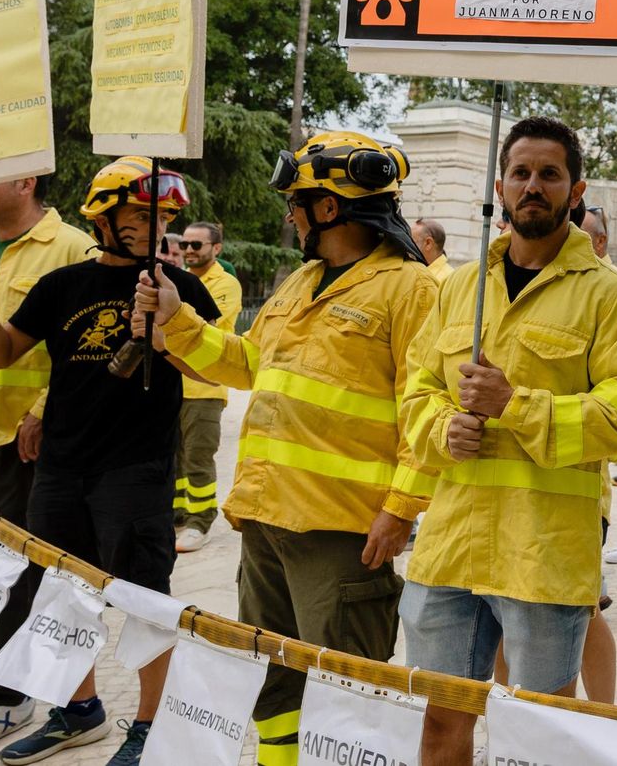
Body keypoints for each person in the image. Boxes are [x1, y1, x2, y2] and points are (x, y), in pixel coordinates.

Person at [137, 132, 437, 766]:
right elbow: (249, 364)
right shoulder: (302, 280)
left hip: (342, 529)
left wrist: (402, 508)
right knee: (274, 683)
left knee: (348, 689)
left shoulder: (410, 288)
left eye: (298, 201)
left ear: (331, 209)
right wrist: (178, 321)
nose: (290, 213)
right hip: (265, 520)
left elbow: (425, 406)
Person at [396, 116, 617, 766]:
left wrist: (516, 405)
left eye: (549, 173)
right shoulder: (459, 287)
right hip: (450, 549)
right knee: (439, 725)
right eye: (520, 173)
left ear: (576, 188)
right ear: (501, 187)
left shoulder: (610, 296)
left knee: (538, 739)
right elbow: (417, 389)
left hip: (546, 554)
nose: (532, 185)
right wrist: (438, 427)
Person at [0, 160, 218, 766]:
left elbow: (211, 372)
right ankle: (78, 713)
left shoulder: (182, 288)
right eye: (138, 214)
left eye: (163, 217)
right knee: (61, 595)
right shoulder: (63, 286)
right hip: (61, 469)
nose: (155, 227)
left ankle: (151, 729)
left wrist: (170, 324)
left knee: (145, 600)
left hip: (137, 469)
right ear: (102, 217)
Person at [0, 178, 95, 755]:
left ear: (24, 179)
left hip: (19, 434)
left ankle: (8, 699)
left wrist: (43, 409)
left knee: (15, 569)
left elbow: (87, 343)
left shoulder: (72, 247)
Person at [171, 221, 242, 554]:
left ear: (217, 249)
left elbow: (206, 326)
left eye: (196, 245)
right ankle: (178, 514)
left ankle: (200, 522)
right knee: (174, 457)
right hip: (173, 382)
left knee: (198, 457)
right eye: (185, 244)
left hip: (205, 386)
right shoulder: (176, 280)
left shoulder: (225, 284)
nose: (188, 251)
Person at [411, 218, 453, 283]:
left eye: (412, 242)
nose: (408, 247)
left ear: (428, 243)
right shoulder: (415, 271)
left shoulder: (449, 280)